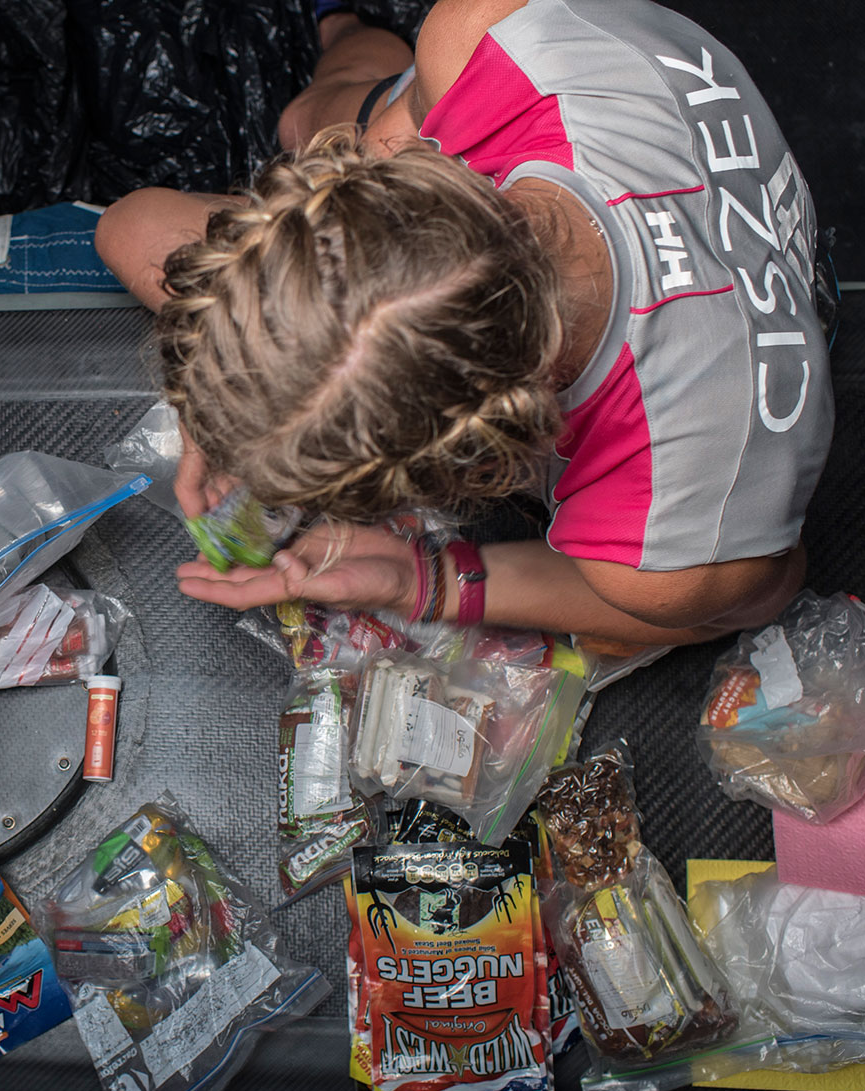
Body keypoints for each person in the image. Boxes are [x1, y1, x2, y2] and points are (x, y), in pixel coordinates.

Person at [94, 0, 833, 646]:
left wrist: (432, 583)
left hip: (740, 349)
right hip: (583, 107)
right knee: (300, 124)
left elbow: (764, 592)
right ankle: (346, 28)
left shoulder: (677, 521)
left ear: (478, 461)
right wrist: (237, 389)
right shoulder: (478, 32)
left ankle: (345, 32)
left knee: (301, 123)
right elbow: (129, 227)